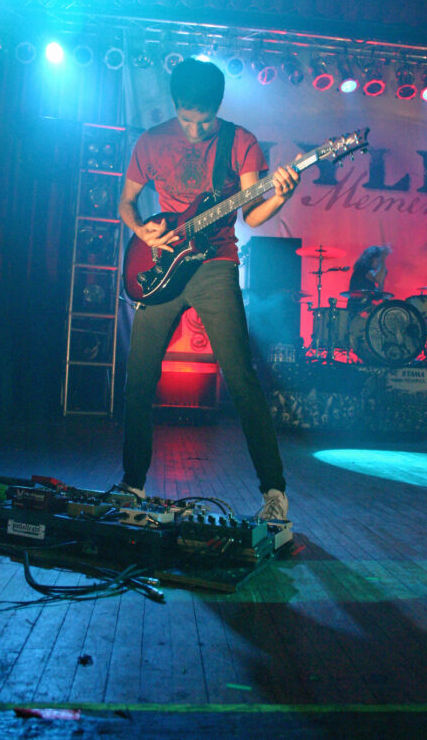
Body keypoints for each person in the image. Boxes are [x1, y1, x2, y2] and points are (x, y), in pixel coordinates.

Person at [118, 58, 300, 521]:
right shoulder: (151, 140)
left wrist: (281, 194)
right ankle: (132, 485)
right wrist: (141, 230)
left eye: (203, 121)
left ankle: (274, 493)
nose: (195, 130)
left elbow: (252, 214)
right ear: (174, 104)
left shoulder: (241, 142)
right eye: (186, 119)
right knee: (139, 381)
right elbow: (127, 202)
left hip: (215, 265)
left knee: (241, 379)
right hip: (161, 265)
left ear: (218, 107)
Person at [347, 245, 391, 317]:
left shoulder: (368, 277)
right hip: (357, 311)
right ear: (370, 259)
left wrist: (381, 282)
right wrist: (383, 260)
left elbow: (377, 295)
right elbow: (378, 279)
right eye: (378, 260)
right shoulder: (363, 270)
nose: (379, 263)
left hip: (363, 311)